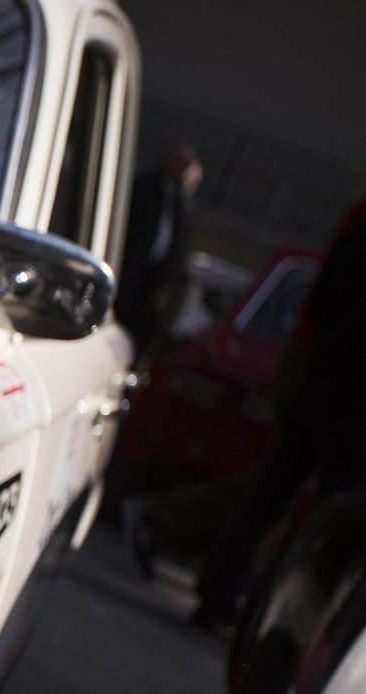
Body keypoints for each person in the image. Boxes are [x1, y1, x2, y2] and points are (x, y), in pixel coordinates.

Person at [189, 195, 366, 629]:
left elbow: (323, 297)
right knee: (324, 514)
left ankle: (225, 595)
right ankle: (277, 620)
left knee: (272, 494)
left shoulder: (359, 217)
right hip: (345, 390)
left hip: (322, 373)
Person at [116, 144, 204, 364]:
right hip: (131, 270)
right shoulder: (143, 187)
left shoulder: (186, 203)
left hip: (159, 279)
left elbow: (184, 246)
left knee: (143, 329)